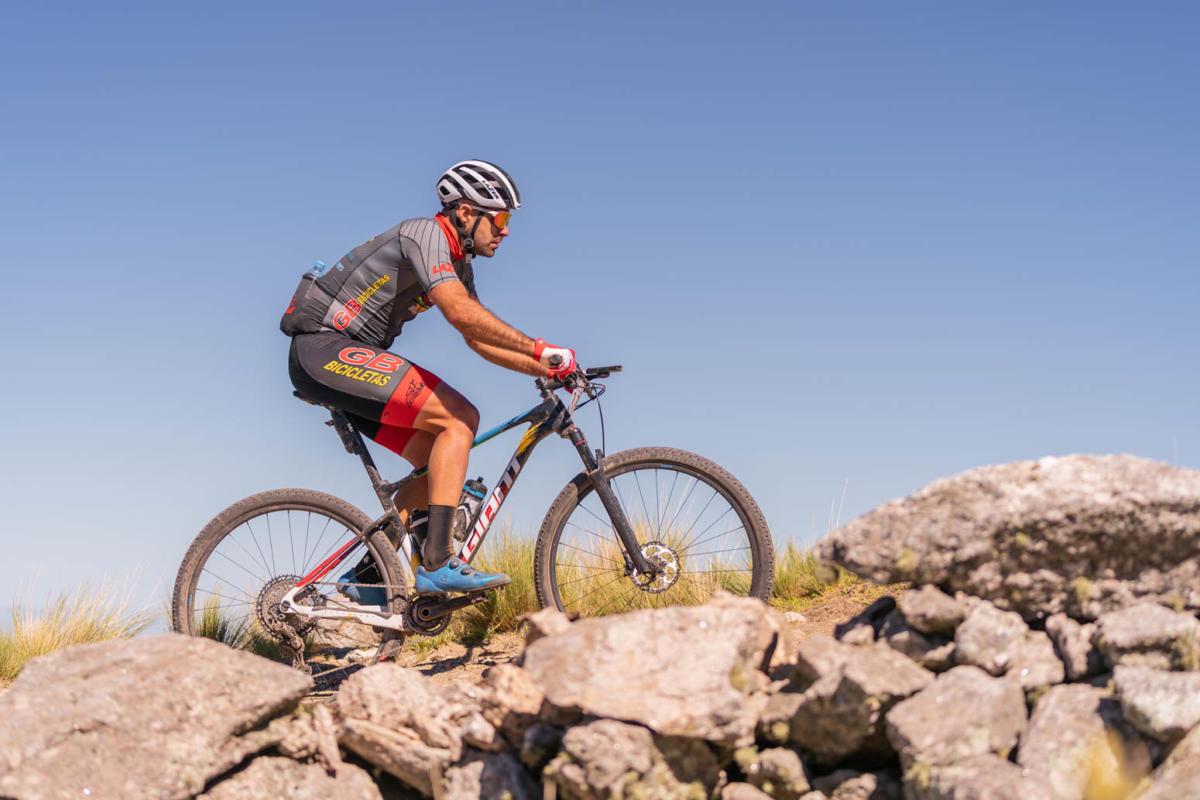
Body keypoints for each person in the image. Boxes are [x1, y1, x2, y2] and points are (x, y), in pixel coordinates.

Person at [280, 160, 577, 597]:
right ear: (465, 212)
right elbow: (460, 312)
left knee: (432, 469)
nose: (506, 231)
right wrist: (538, 348)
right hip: (324, 349)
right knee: (460, 418)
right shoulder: (425, 235)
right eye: (500, 220)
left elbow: (476, 338)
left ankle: (364, 580)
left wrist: (546, 367)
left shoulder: (458, 263)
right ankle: (438, 563)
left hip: (339, 360)